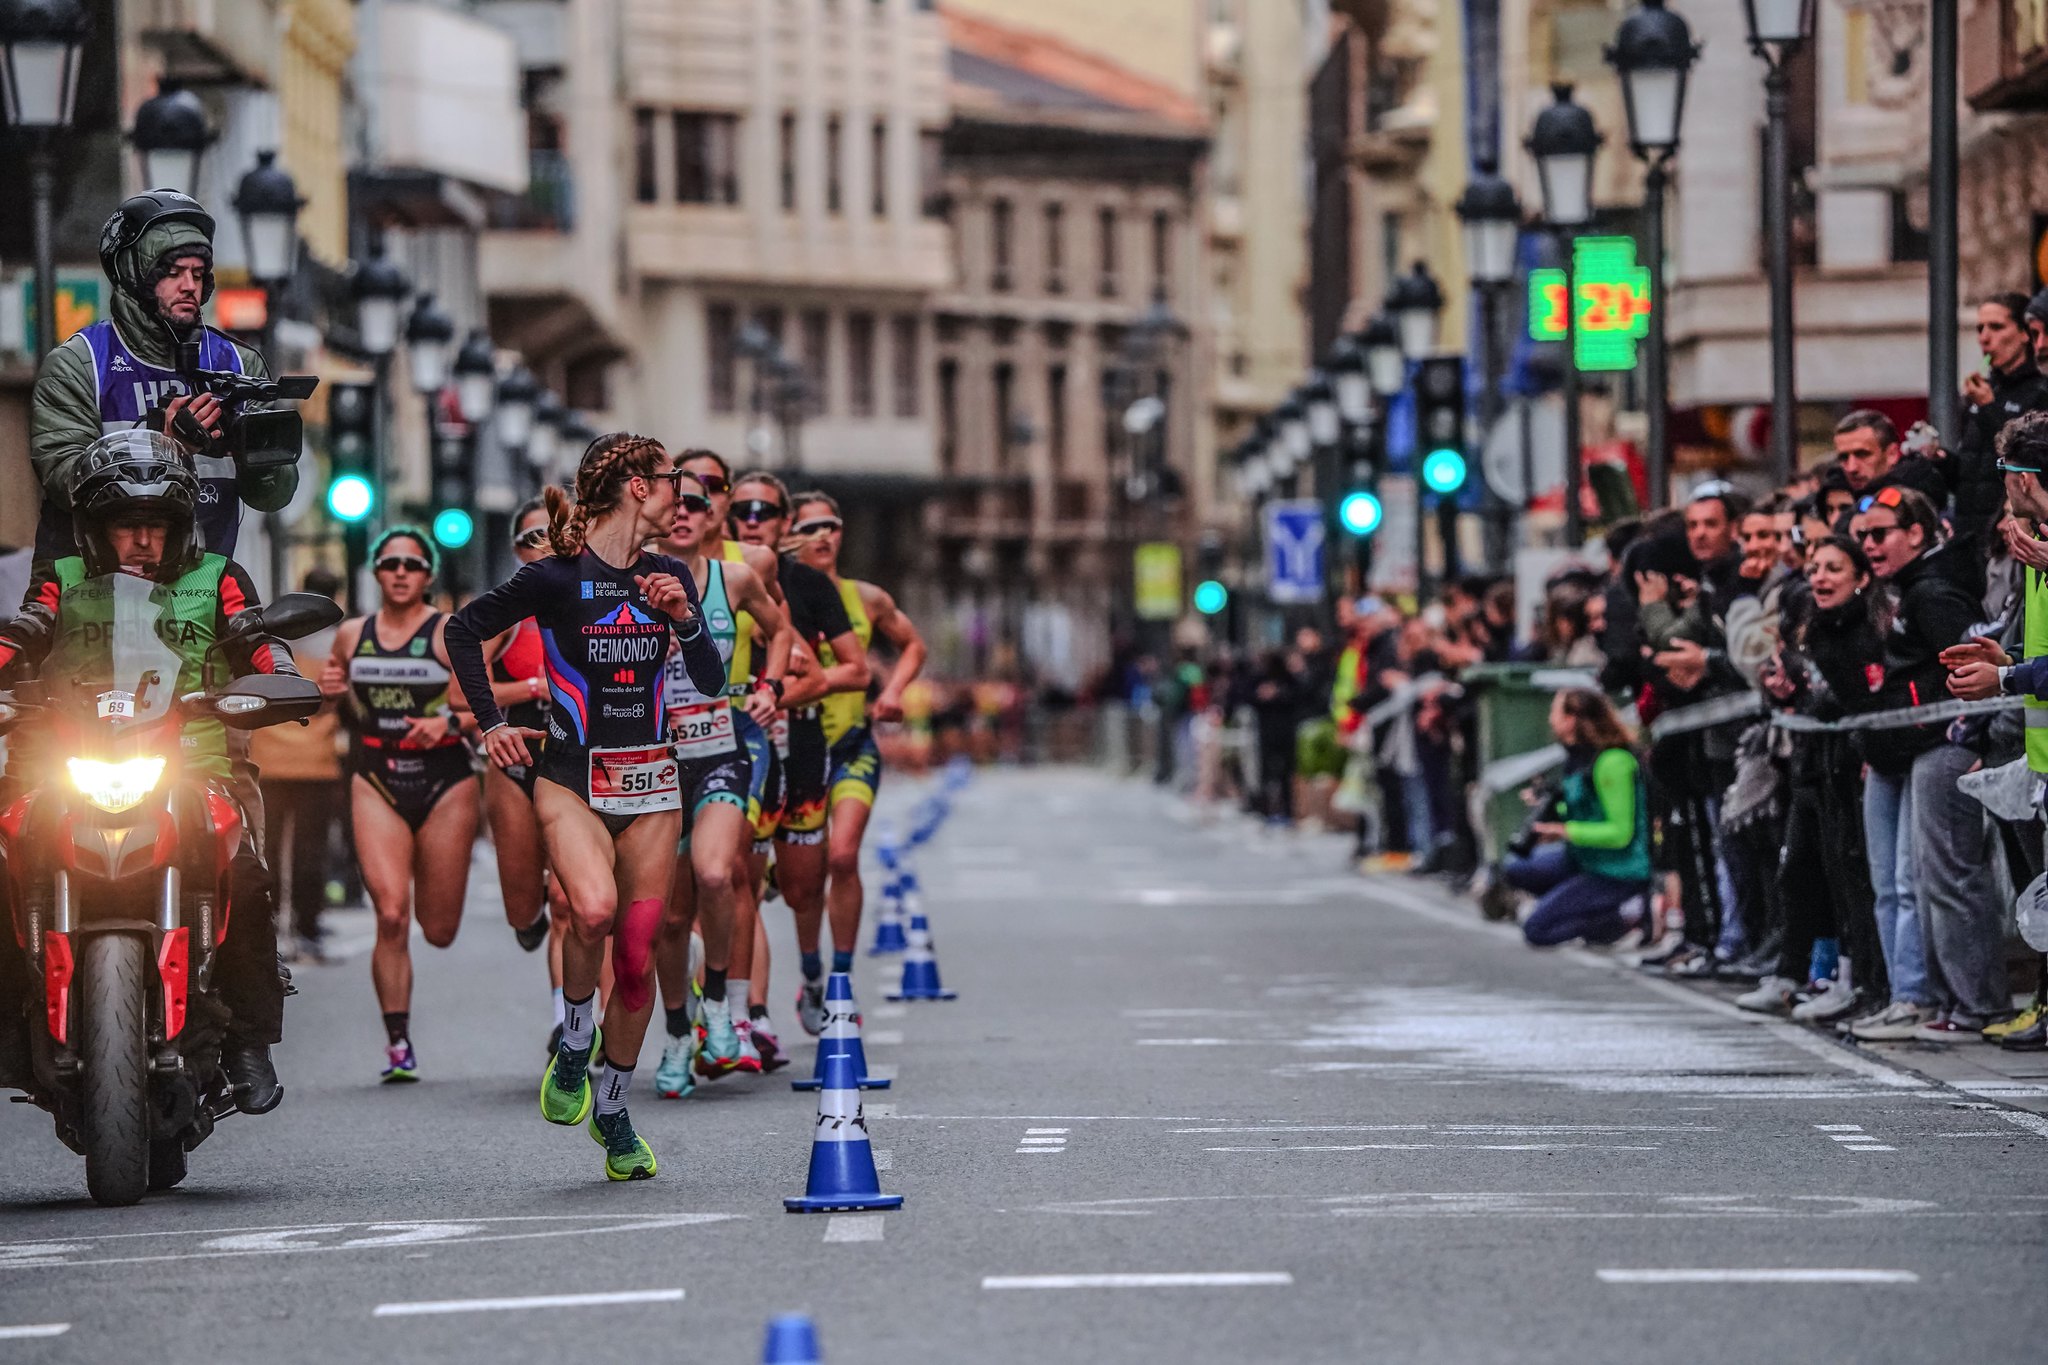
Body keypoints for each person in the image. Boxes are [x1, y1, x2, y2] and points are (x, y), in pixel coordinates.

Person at [446, 433, 728, 1182]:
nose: (684, 494)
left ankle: (613, 1103)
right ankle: (575, 1037)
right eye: (673, 481)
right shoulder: (555, 577)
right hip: (570, 778)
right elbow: (462, 630)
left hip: (653, 786)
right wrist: (496, 724)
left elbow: (711, 677)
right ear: (638, 486)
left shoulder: (669, 574)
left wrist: (687, 620)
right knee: (592, 912)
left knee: (636, 961)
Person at [0, 431, 298, 1111]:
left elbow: (257, 644)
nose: (140, 540)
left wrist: (279, 676)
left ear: (180, 528)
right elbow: (23, 634)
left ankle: (251, 1040)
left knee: (245, 873)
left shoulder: (220, 576)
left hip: (195, 763)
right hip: (65, 761)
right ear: (95, 531)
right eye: (124, 525)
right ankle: (11, 1024)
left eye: (154, 526)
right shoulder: (62, 579)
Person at [30, 191, 297, 563]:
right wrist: (163, 447)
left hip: (205, 592)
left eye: (199, 274)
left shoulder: (240, 363)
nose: (190, 285)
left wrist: (257, 458)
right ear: (132, 274)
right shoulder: (80, 363)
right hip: (100, 591)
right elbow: (64, 480)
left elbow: (273, 497)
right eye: (172, 273)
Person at [645, 464, 793, 1092]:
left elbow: (780, 629)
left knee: (716, 873)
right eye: (673, 504)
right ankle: (677, 1035)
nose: (683, 513)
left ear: (712, 518)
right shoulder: (632, 581)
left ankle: (718, 1006)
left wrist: (771, 686)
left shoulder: (734, 578)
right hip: (655, 758)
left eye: (697, 505)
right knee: (672, 920)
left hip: (723, 747)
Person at [322, 529, 479, 1083]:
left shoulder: (446, 633)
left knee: (436, 928)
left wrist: (448, 722)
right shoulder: (350, 635)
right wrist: (329, 691)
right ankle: (397, 1042)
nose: (401, 572)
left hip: (445, 784)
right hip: (377, 777)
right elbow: (331, 701)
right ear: (376, 572)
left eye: (412, 564)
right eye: (390, 563)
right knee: (390, 913)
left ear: (428, 575)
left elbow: (480, 709)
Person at [1845, 486, 1990, 1042]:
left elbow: (1975, 665)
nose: (1870, 545)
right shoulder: (1897, 592)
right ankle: (1914, 994)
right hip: (1897, 751)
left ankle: (1957, 1001)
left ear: (1917, 534)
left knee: (1926, 881)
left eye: (1880, 534)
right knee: (1894, 883)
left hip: (1939, 747)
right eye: (1863, 536)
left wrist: (1969, 735)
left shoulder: (1931, 594)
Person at [728, 474, 870, 1036]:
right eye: (743, 509)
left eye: (766, 510)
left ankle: (812, 974)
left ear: (785, 522)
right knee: (738, 878)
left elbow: (856, 670)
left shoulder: (809, 584)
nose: (754, 519)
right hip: (738, 747)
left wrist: (788, 689)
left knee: (803, 887)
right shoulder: (715, 579)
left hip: (802, 743)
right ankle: (748, 1012)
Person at [790, 491, 929, 987]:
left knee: (844, 855)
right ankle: (810, 967)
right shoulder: (777, 599)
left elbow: (913, 644)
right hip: (794, 750)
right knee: (802, 883)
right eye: (808, 528)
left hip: (851, 746)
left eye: (830, 525)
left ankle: (841, 978)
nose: (822, 536)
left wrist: (891, 691)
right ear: (788, 536)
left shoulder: (866, 599)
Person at [1945, 409, 2048, 1047]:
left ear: (2025, 478)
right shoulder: (2037, 553)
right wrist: (2006, 661)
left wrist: (2006, 682)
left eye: (2004, 472)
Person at [478, 501, 574, 1052]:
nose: (546, 541)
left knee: (566, 901)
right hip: (516, 757)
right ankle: (526, 917)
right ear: (518, 550)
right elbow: (457, 692)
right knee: (528, 906)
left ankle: (567, 1023)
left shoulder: (591, 599)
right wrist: (534, 689)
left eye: (556, 532)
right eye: (534, 535)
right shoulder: (508, 613)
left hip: (575, 763)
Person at [1500, 689, 1650, 947]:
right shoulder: (1577, 758)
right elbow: (1584, 809)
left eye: (1555, 712)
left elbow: (1620, 833)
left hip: (1617, 870)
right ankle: (1580, 906)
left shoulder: (1613, 761)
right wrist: (1548, 809)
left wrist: (1566, 831)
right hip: (1585, 858)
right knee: (1516, 866)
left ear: (1571, 720)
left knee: (1536, 930)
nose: (1550, 720)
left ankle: (1621, 917)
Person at [252, 566, 348, 963]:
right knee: (311, 853)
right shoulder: (338, 645)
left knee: (268, 850)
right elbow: (341, 698)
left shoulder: (271, 640)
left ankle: (267, 929)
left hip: (268, 760)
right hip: (317, 764)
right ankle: (308, 931)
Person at [1954, 292, 2048, 543]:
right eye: (1980, 328)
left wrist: (1988, 408)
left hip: (2009, 531)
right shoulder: (1981, 390)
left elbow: (2024, 456)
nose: (1984, 337)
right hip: (1968, 533)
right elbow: (1969, 463)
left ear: (2024, 333)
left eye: (1996, 327)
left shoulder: (2040, 390)